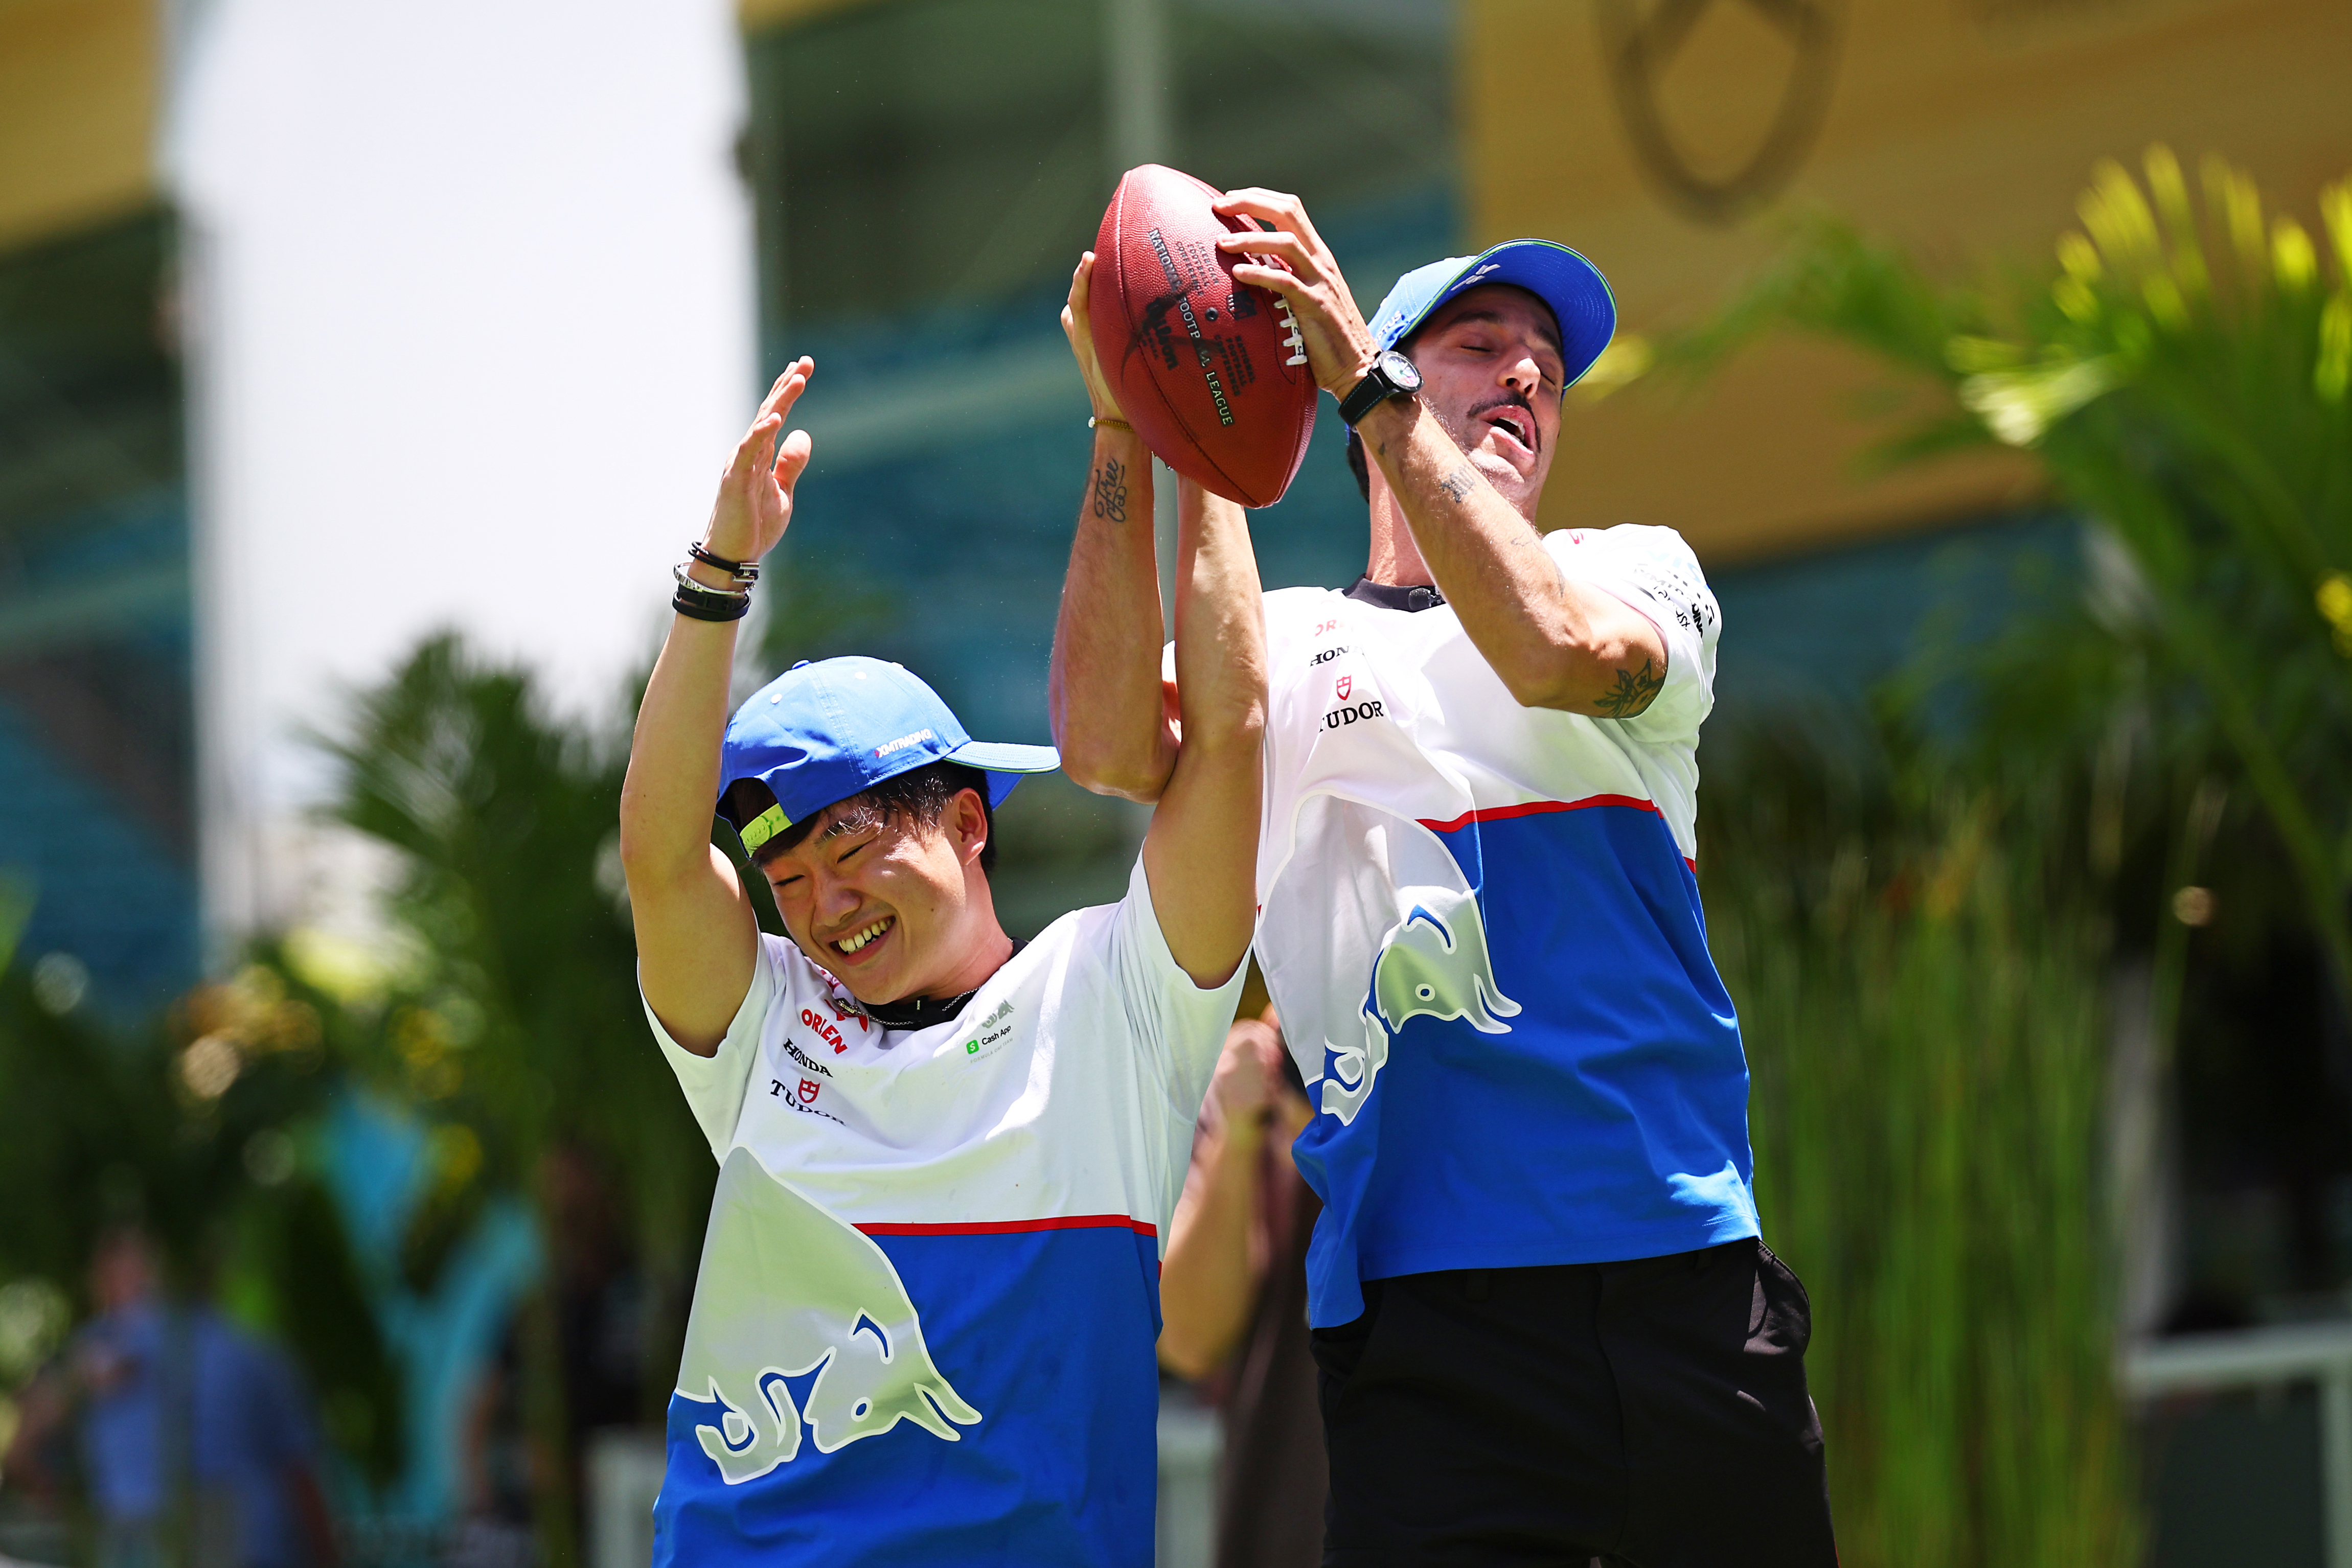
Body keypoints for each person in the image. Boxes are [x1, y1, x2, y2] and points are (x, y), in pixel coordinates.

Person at [1053, 199, 1837, 1565]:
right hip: (1430, 1335)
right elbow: (1112, 743)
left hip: (1686, 1290)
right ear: (1375, 375)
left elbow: (1550, 650)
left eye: (1546, 358)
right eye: (1482, 341)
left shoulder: (1632, 572)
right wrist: (1142, 416)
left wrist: (1366, 378)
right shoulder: (1286, 651)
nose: (1529, 371)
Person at [618, 356, 1266, 1565]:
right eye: (788, 876)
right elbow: (659, 861)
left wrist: (1167, 432)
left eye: (851, 846)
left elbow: (1226, 741)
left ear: (969, 822)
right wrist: (719, 575)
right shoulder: (765, 1024)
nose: (824, 905)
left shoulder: (1114, 997)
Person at [4, 1228, 337, 1568]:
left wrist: (66, 1507)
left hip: (144, 1549)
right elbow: (303, 1480)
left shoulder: (98, 1351)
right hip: (248, 1548)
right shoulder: (257, 1351)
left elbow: (20, 1452)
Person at [1157, 1010, 1323, 1568]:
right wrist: (1236, 1139)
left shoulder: (1431, 1030)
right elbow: (1185, 1340)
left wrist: (1337, 1161)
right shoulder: (1251, 1073)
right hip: (1278, 1526)